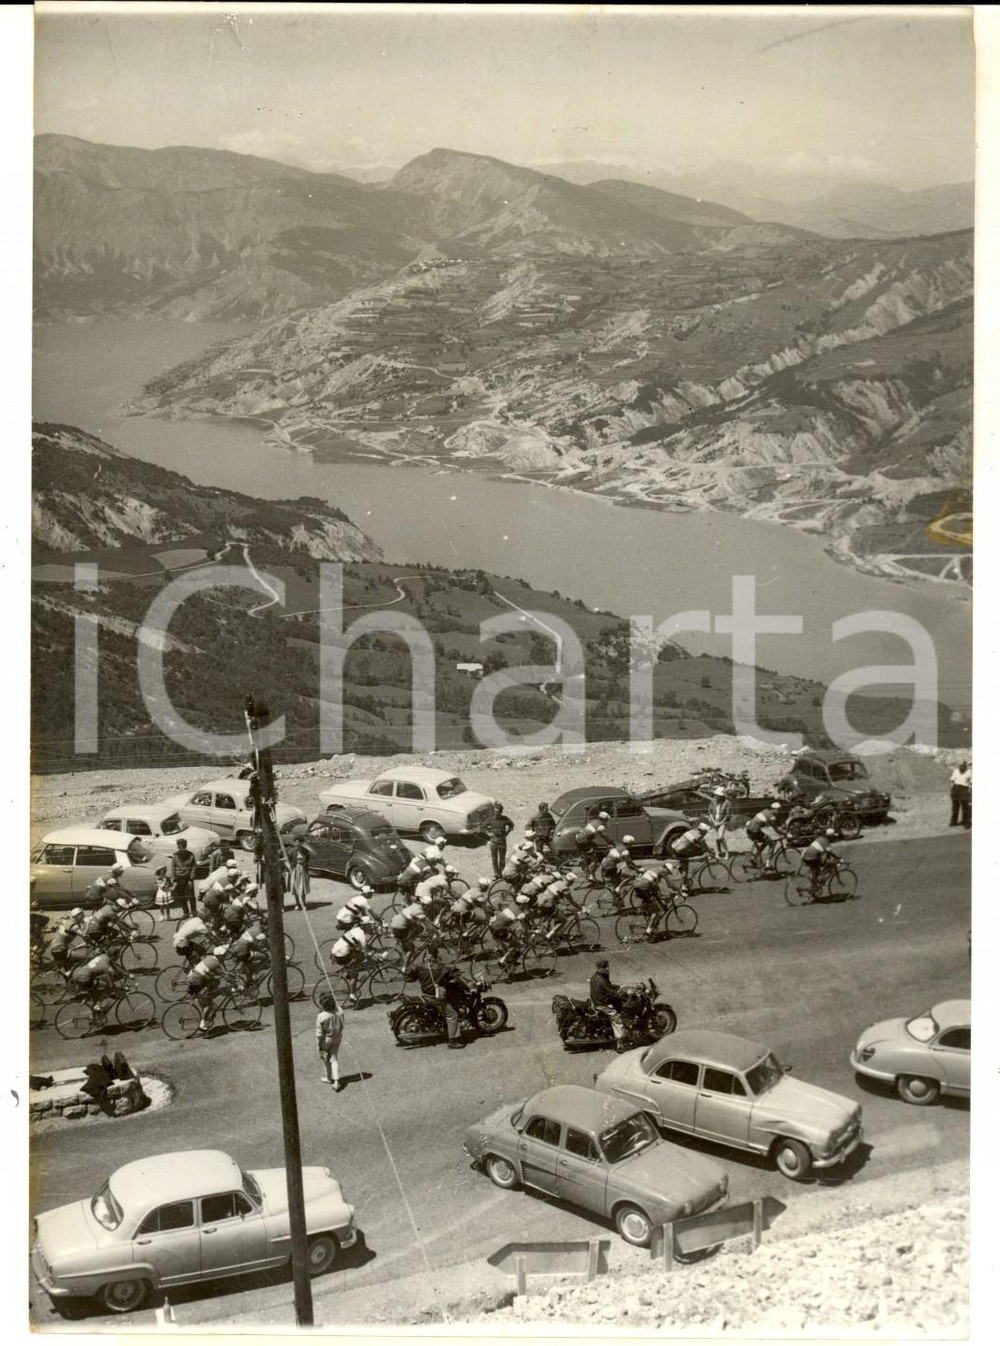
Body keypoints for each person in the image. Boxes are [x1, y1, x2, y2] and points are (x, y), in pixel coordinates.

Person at [415, 942, 464, 1048]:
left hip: (425, 994)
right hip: (434, 997)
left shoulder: (420, 966)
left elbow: (410, 976)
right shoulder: (440, 967)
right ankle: (452, 1041)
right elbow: (450, 974)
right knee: (452, 1014)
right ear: (435, 954)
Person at [186, 946, 233, 1033]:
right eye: (224, 955)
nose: (225, 957)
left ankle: (203, 1004)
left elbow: (216, 973)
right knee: (210, 1006)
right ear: (219, 956)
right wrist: (236, 985)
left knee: (215, 982)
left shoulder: (210, 958)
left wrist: (227, 973)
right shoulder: (216, 963)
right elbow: (225, 976)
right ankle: (202, 1024)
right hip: (196, 983)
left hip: (193, 979)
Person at [589, 958, 626, 1051]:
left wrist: (615, 987)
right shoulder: (602, 980)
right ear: (602, 968)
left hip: (595, 1001)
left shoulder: (595, 976)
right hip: (602, 1004)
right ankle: (620, 1044)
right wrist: (622, 995)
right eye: (606, 967)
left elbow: (607, 988)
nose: (608, 968)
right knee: (617, 1019)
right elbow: (612, 993)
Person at [329, 925, 368, 1007]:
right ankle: (352, 995)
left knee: (359, 956)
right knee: (355, 973)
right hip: (342, 955)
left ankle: (350, 970)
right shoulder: (362, 936)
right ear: (366, 926)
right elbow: (366, 952)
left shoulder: (356, 929)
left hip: (336, 951)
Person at [70, 951, 120, 1016]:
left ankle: (94, 1017)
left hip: (78, 974)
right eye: (118, 955)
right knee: (107, 986)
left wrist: (126, 974)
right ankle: (97, 1006)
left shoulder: (103, 956)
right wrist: (114, 989)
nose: (119, 957)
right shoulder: (106, 966)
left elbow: (114, 966)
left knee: (94, 994)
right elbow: (110, 982)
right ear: (113, 956)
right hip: (84, 979)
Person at [669, 822, 710, 895]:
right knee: (685, 869)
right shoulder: (700, 837)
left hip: (675, 848)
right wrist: (710, 851)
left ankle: (682, 870)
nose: (706, 833)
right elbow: (705, 847)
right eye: (706, 831)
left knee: (696, 852)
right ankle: (684, 886)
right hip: (680, 851)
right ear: (702, 830)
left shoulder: (692, 831)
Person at [316, 991, 346, 1089]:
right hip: (337, 1038)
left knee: (325, 1059)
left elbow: (319, 1034)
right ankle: (336, 1081)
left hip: (326, 1040)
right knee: (334, 1059)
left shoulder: (321, 1016)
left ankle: (329, 1078)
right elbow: (343, 1025)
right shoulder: (340, 1011)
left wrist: (318, 1044)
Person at [800, 828, 839, 897]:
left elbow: (828, 855)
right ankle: (816, 884)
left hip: (806, 856)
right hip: (812, 858)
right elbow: (831, 853)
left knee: (818, 868)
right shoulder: (826, 842)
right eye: (833, 837)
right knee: (831, 864)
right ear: (831, 836)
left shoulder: (821, 838)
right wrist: (838, 858)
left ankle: (816, 884)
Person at [485, 802, 515, 877]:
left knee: (502, 858)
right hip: (493, 840)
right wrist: (489, 834)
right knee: (494, 858)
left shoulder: (505, 819)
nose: (496, 813)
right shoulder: (490, 819)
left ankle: (502, 873)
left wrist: (507, 832)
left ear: (501, 812)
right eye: (495, 811)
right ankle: (496, 873)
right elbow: (483, 827)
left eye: (498, 812)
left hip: (502, 840)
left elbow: (511, 825)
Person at [170, 839, 197, 918]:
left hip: (188, 878)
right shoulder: (175, 855)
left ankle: (194, 911)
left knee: (191, 896)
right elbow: (173, 868)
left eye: (183, 846)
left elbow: (193, 867)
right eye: (179, 846)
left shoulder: (191, 855)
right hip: (179, 878)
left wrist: (191, 879)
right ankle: (185, 912)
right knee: (181, 896)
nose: (181, 848)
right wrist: (174, 879)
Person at [708, 787, 733, 858]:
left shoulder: (727, 803)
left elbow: (728, 816)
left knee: (720, 837)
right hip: (714, 821)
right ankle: (718, 852)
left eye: (717, 796)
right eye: (716, 795)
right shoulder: (713, 801)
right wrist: (714, 821)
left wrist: (720, 823)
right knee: (717, 838)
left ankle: (726, 852)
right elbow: (709, 811)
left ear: (721, 796)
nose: (716, 797)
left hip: (722, 822)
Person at [288, 840, 311, 911]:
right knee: (296, 888)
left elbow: (308, 860)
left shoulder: (305, 851)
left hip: (303, 871)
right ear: (294, 843)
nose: (297, 844)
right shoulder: (292, 851)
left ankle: (303, 904)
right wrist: (291, 867)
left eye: (299, 842)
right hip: (295, 870)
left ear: (302, 843)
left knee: (303, 887)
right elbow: (288, 860)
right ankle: (297, 904)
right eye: (296, 842)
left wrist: (305, 865)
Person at [949, 760, 971, 828]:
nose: (960, 768)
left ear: (965, 766)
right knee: (955, 807)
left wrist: (969, 793)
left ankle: (966, 823)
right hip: (956, 789)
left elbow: (971, 784)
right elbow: (952, 780)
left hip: (964, 789)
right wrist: (952, 790)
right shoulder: (956, 771)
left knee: (965, 808)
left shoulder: (969, 772)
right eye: (959, 766)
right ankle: (954, 821)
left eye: (962, 766)